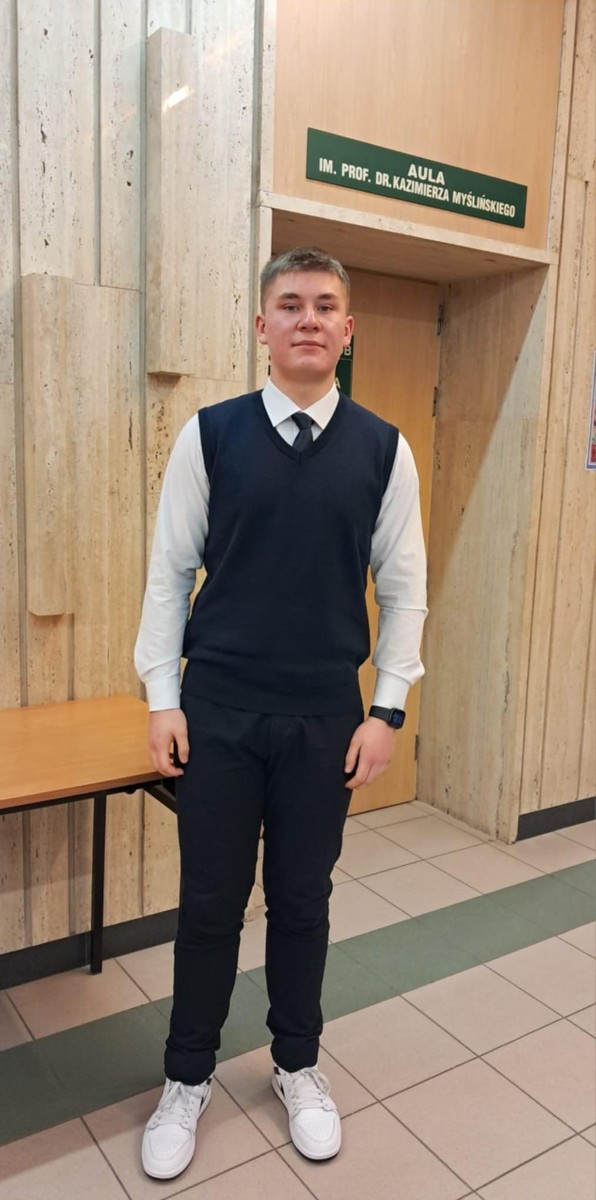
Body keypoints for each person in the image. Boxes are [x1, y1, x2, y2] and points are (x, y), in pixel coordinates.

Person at [134, 246, 427, 1179]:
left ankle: (297, 1063)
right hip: (218, 711)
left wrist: (387, 710)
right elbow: (170, 573)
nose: (308, 319)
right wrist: (162, 698)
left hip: (323, 720)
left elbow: (406, 591)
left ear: (348, 331)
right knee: (209, 907)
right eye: (290, 304)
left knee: (303, 902)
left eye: (325, 306)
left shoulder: (383, 449)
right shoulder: (210, 436)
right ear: (262, 326)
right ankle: (187, 1077)